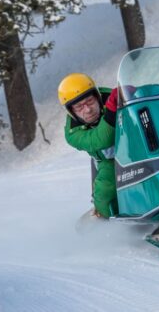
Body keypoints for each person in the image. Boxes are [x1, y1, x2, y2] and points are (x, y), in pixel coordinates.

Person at [58, 73, 119, 218]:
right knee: (104, 190)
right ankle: (109, 220)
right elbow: (100, 140)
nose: (87, 110)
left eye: (90, 101)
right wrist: (111, 111)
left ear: (97, 96)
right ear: (71, 111)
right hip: (110, 160)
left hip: (136, 144)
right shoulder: (73, 133)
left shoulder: (111, 96)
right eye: (79, 107)